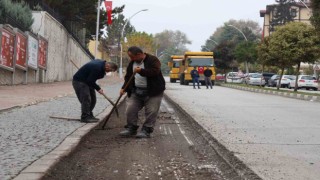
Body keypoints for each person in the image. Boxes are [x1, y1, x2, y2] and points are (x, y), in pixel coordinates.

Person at [119, 46, 165, 138]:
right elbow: (128, 77)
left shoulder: (153, 60)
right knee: (130, 109)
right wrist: (124, 88)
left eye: (132, 57)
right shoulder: (132, 63)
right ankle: (131, 128)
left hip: (153, 91)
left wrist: (141, 71)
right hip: (136, 91)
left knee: (151, 111)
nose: (131, 59)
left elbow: (155, 72)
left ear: (139, 54)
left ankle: (146, 130)